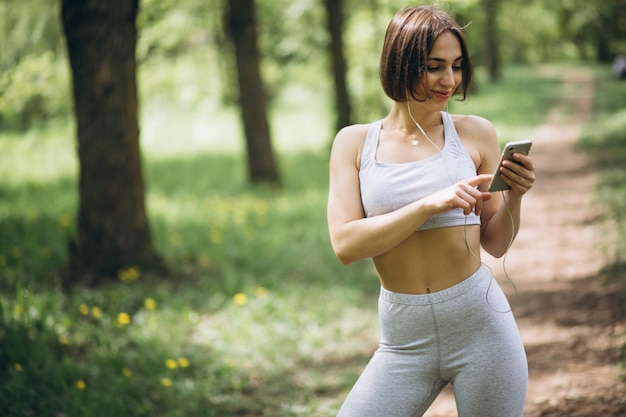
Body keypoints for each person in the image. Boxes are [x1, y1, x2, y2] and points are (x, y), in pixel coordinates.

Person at [327, 5, 535, 417]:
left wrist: (514, 196)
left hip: (481, 327)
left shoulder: (475, 133)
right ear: (400, 64)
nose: (449, 80)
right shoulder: (354, 143)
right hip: (404, 339)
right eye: (434, 66)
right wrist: (429, 204)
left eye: (457, 66)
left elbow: (494, 242)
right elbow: (346, 245)